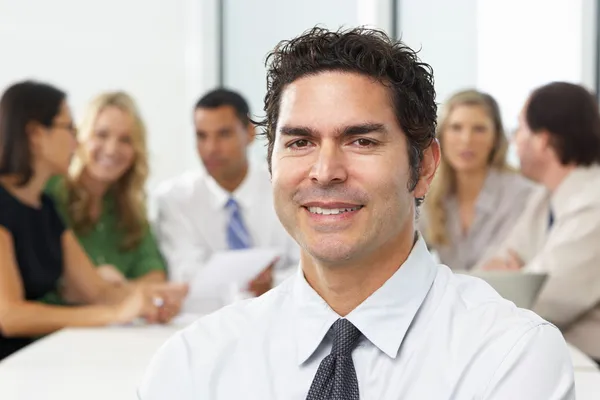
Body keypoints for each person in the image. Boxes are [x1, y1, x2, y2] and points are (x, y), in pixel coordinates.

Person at [139, 28, 573, 399]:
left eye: (361, 141)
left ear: (423, 167)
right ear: (271, 165)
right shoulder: (193, 364)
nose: (325, 171)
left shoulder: (510, 355)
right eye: (299, 142)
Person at [0, 81, 185, 361]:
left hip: (33, 359)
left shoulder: (45, 207)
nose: (76, 142)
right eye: (68, 129)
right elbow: (9, 315)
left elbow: (94, 290)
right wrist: (114, 312)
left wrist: (148, 302)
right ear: (36, 134)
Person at [480, 82, 600, 364]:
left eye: (520, 129)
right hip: (555, 353)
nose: (514, 140)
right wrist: (519, 274)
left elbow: (546, 298)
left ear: (543, 140)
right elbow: (493, 267)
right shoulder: (543, 197)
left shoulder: (594, 201)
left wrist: (518, 275)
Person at [153, 89, 298, 306]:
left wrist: (273, 282)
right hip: (204, 320)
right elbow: (185, 277)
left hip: (284, 310)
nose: (211, 148)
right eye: (201, 136)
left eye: (223, 134)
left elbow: (312, 267)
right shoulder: (175, 199)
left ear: (250, 133)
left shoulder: (287, 188)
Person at [44, 91, 168, 288]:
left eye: (125, 140)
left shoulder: (131, 208)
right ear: (80, 138)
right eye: (101, 135)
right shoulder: (51, 194)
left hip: (114, 319)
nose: (111, 149)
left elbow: (155, 276)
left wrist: (118, 290)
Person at [421, 90, 534, 270]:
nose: (466, 140)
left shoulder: (522, 193)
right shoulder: (427, 193)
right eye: (456, 128)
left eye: (479, 129)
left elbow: (504, 266)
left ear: (495, 138)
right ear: (441, 136)